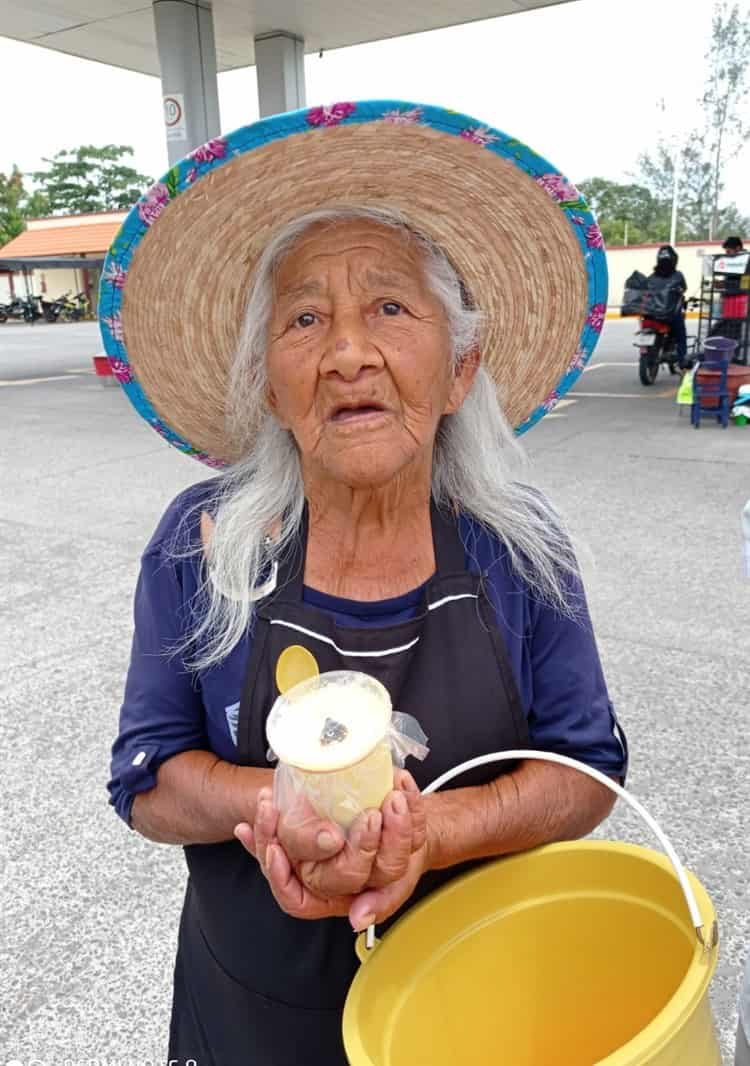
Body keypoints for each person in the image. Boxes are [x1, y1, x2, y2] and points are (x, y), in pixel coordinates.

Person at [103, 101, 627, 1065]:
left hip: (477, 1009)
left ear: (461, 364)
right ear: (269, 381)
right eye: (306, 319)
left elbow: (585, 772)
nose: (349, 353)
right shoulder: (203, 541)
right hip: (251, 1017)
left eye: (390, 307)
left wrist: (431, 829)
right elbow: (145, 777)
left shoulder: (521, 550)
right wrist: (268, 807)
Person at [649, 244, 689, 368]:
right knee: (681, 334)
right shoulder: (678, 276)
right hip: (671, 316)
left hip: (652, 316)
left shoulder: (652, 277)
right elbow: (684, 289)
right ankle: (682, 360)